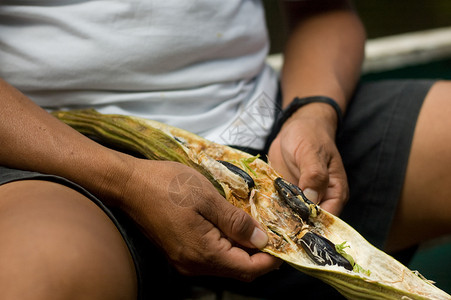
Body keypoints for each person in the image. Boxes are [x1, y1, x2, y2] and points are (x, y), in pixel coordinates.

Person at [0, 0, 450, 299]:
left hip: (268, 115)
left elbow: (323, 11)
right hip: (64, 155)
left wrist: (314, 111)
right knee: (34, 279)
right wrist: (124, 180)